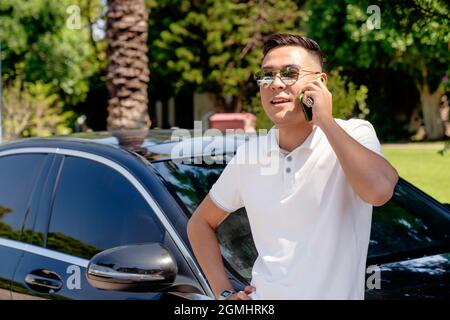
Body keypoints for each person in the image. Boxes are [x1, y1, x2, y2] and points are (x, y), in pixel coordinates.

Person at [187, 33, 399, 300]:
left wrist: (325, 121)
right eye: (267, 75)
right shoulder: (249, 155)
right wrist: (224, 293)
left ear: (320, 83)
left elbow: (378, 191)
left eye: (289, 73)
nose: (275, 83)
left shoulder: (354, 133)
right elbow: (200, 224)